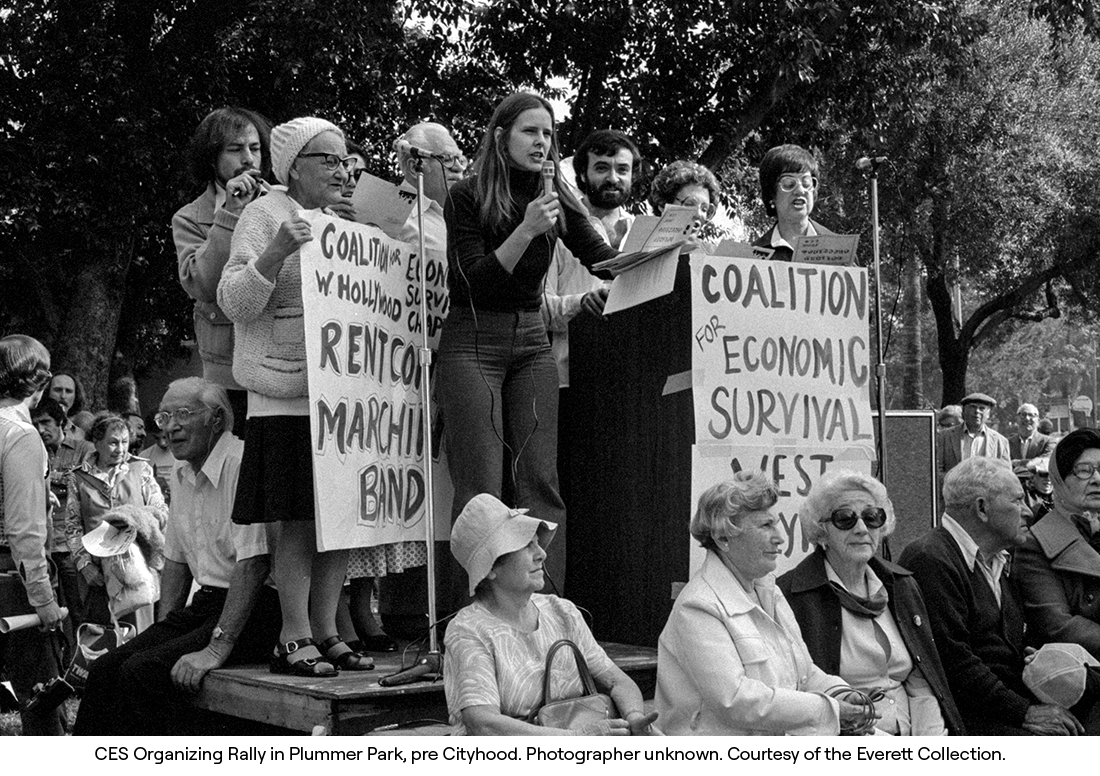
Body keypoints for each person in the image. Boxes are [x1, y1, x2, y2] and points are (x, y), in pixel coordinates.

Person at [438, 92, 618, 610]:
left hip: (532, 344)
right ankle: (473, 615)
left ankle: (548, 608)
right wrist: (526, 230)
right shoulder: (467, 196)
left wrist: (666, 250)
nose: (542, 143)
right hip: (474, 341)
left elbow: (604, 259)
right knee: (482, 490)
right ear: (501, 137)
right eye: (530, 133)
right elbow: (473, 283)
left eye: (548, 134)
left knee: (540, 482)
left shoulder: (556, 194)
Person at [218, 115, 372, 676]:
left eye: (345, 159)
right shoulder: (264, 215)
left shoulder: (344, 223)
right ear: (294, 168)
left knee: (339, 516)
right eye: (328, 160)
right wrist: (276, 252)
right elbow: (233, 300)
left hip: (341, 393)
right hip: (285, 392)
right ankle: (293, 634)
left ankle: (327, 629)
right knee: (301, 517)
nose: (342, 169)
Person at [73, 377, 281, 736]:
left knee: (143, 672)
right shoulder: (184, 472)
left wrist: (215, 650)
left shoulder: (239, 463)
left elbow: (254, 564)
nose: (170, 426)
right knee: (107, 669)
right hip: (208, 603)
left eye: (183, 414)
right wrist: (163, 630)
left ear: (217, 419)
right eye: (164, 417)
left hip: (257, 607)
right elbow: (176, 563)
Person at [656, 471, 874, 735]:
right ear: (724, 539)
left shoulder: (769, 590)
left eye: (776, 524)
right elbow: (736, 700)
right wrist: (830, 710)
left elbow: (804, 674)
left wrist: (843, 695)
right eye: (765, 526)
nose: (779, 537)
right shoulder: (698, 607)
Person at [442, 493, 657, 735]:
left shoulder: (561, 611)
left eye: (537, 543)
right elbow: (483, 724)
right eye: (526, 545)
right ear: (491, 568)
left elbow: (617, 681)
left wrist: (635, 718)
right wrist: (574, 740)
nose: (541, 554)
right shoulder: (468, 630)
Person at [899, 456, 1083, 735]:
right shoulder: (930, 559)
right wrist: (1024, 712)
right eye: (1017, 501)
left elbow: (1001, 646)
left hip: (1003, 706)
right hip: (970, 720)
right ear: (982, 508)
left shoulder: (998, 559)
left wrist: (1032, 657)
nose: (1028, 512)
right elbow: (955, 663)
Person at [777, 470, 965, 735]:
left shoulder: (901, 584)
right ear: (821, 531)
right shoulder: (792, 595)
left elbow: (922, 680)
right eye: (845, 518)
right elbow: (799, 690)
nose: (862, 529)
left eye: (872, 517)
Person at [174, 107, 273, 435]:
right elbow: (203, 285)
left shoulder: (283, 206)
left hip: (281, 364)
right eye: (235, 149)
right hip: (227, 376)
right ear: (211, 158)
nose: (248, 159)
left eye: (255, 148)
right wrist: (230, 213)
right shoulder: (189, 218)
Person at [0, 334, 65, 735]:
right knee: (41, 702)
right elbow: (24, 532)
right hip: (12, 580)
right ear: (40, 384)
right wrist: (44, 600)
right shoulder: (21, 437)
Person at [64, 412, 167, 627]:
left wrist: (136, 519)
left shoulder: (141, 469)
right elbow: (73, 527)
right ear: (97, 443)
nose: (120, 449)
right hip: (97, 574)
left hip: (138, 570)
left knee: (139, 633)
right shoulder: (79, 477)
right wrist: (84, 565)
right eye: (112, 443)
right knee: (102, 636)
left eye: (124, 442)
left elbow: (160, 511)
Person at [1014, 429, 1100, 660]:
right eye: (1084, 471)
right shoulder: (1036, 544)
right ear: (1059, 480)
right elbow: (1057, 626)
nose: (1097, 479)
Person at [31, 396, 93, 633]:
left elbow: (86, 484)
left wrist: (47, 481)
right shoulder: (34, 450)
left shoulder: (84, 448)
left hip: (73, 546)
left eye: (46, 422)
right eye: (36, 424)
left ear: (62, 422)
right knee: (50, 615)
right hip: (43, 544)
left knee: (79, 611)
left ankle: (84, 663)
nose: (40, 429)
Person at [751, 144, 834, 262]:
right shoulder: (752, 257)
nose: (800, 190)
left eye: (806, 183)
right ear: (771, 193)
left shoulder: (840, 249)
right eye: (789, 184)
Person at [937, 392, 1011, 479]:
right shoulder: (944, 437)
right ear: (963, 411)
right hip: (954, 490)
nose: (977, 411)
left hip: (987, 491)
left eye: (982, 408)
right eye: (973, 407)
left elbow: (1006, 475)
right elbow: (936, 470)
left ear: (988, 414)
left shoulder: (1000, 441)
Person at [648, 159, 720, 234]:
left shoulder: (700, 245)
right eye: (689, 205)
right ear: (664, 205)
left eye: (704, 209)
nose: (698, 214)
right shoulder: (638, 241)